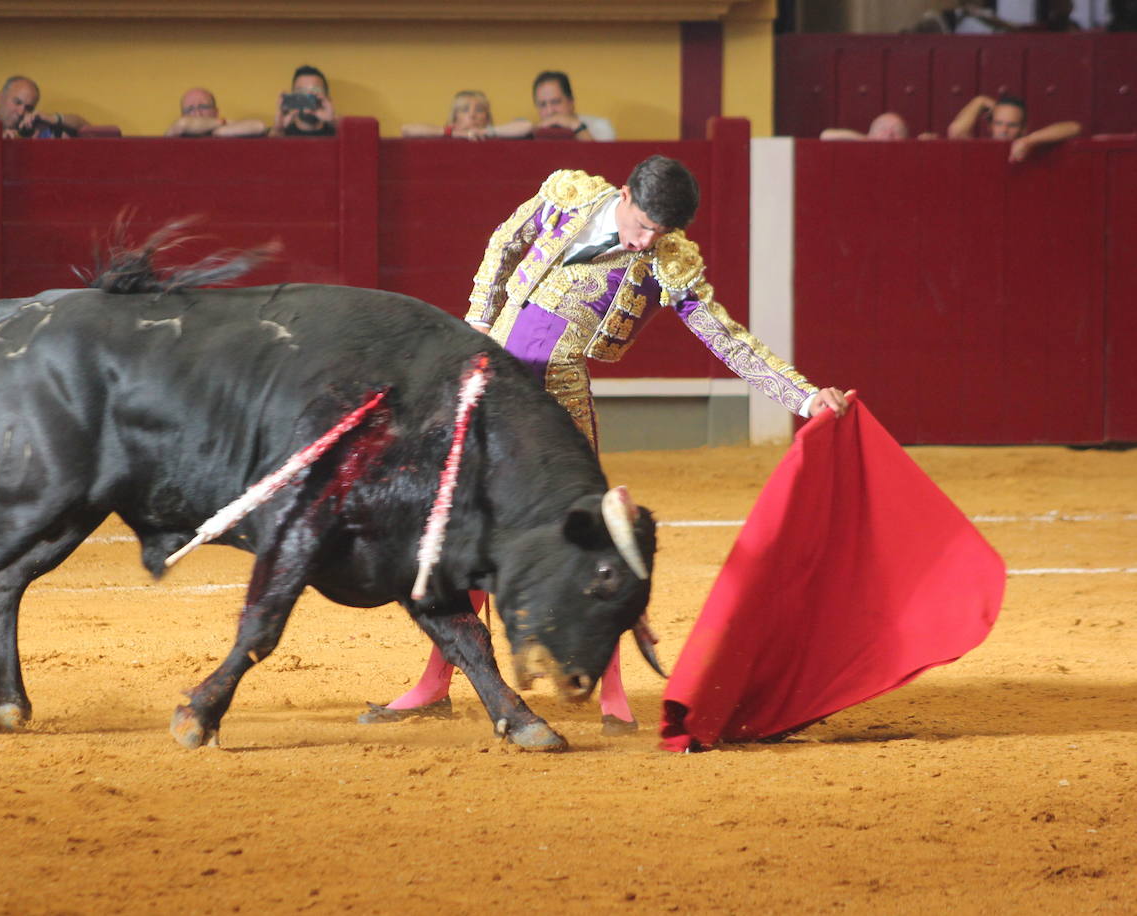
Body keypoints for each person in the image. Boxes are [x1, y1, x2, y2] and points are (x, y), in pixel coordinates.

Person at [359, 155, 848, 734]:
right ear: (623, 194)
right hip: (492, 382)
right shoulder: (567, 194)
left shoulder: (669, 260)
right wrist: (478, 322)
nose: (646, 242)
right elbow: (503, 242)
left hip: (557, 401)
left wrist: (803, 396)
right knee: (465, 528)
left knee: (590, 540)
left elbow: (725, 336)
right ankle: (436, 682)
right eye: (642, 226)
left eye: (660, 233)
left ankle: (612, 689)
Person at [946, 93, 1081, 162]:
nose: (1004, 130)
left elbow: (1074, 128)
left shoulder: (1030, 143)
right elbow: (956, 132)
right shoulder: (978, 149)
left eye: (1012, 125)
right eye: (999, 123)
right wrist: (979, 101)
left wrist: (1028, 141)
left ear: (1023, 129)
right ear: (990, 126)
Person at [399, 90, 532, 140]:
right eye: (464, 110)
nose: (472, 115)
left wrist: (485, 131)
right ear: (455, 116)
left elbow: (527, 126)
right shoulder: (446, 135)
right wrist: (453, 133)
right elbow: (407, 130)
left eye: (479, 110)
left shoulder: (494, 134)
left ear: (486, 116)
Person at [0, 75, 88, 139]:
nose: (21, 112)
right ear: (1, 98)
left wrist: (51, 118)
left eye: (29, 108)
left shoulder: (37, 128)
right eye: (17, 102)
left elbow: (85, 128)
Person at [531, 70, 615, 141]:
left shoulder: (600, 126)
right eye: (542, 105)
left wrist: (577, 127)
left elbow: (602, 159)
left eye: (555, 102)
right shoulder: (533, 133)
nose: (550, 111)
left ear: (571, 102)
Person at [165, 87, 265, 137]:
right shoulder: (175, 132)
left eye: (203, 107)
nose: (197, 114)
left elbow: (259, 126)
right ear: (182, 115)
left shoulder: (222, 129)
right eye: (190, 109)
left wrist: (220, 131)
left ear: (215, 112)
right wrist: (221, 122)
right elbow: (183, 124)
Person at [271, 65, 337, 137]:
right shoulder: (279, 132)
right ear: (293, 97)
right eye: (301, 92)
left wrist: (333, 121)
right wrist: (278, 130)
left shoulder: (339, 133)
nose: (308, 97)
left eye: (315, 91)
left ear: (327, 99)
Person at [820, 111, 911, 141]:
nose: (889, 134)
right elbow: (826, 135)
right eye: (883, 129)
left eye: (897, 130)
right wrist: (867, 140)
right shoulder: (864, 141)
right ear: (871, 132)